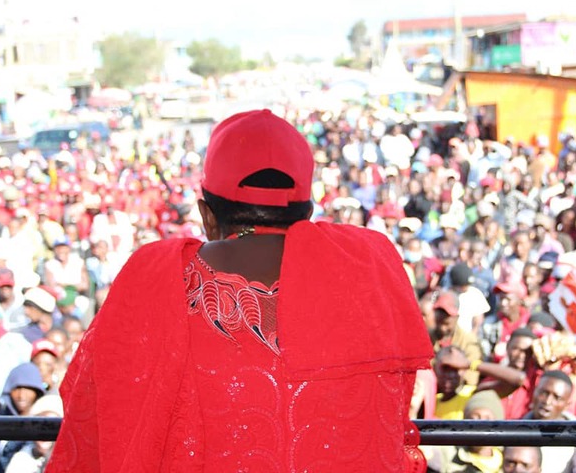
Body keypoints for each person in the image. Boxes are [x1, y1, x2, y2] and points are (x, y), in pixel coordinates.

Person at [47, 109, 434, 472]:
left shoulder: (154, 276)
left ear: (207, 215)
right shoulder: (369, 264)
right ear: (306, 211)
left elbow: (94, 407)